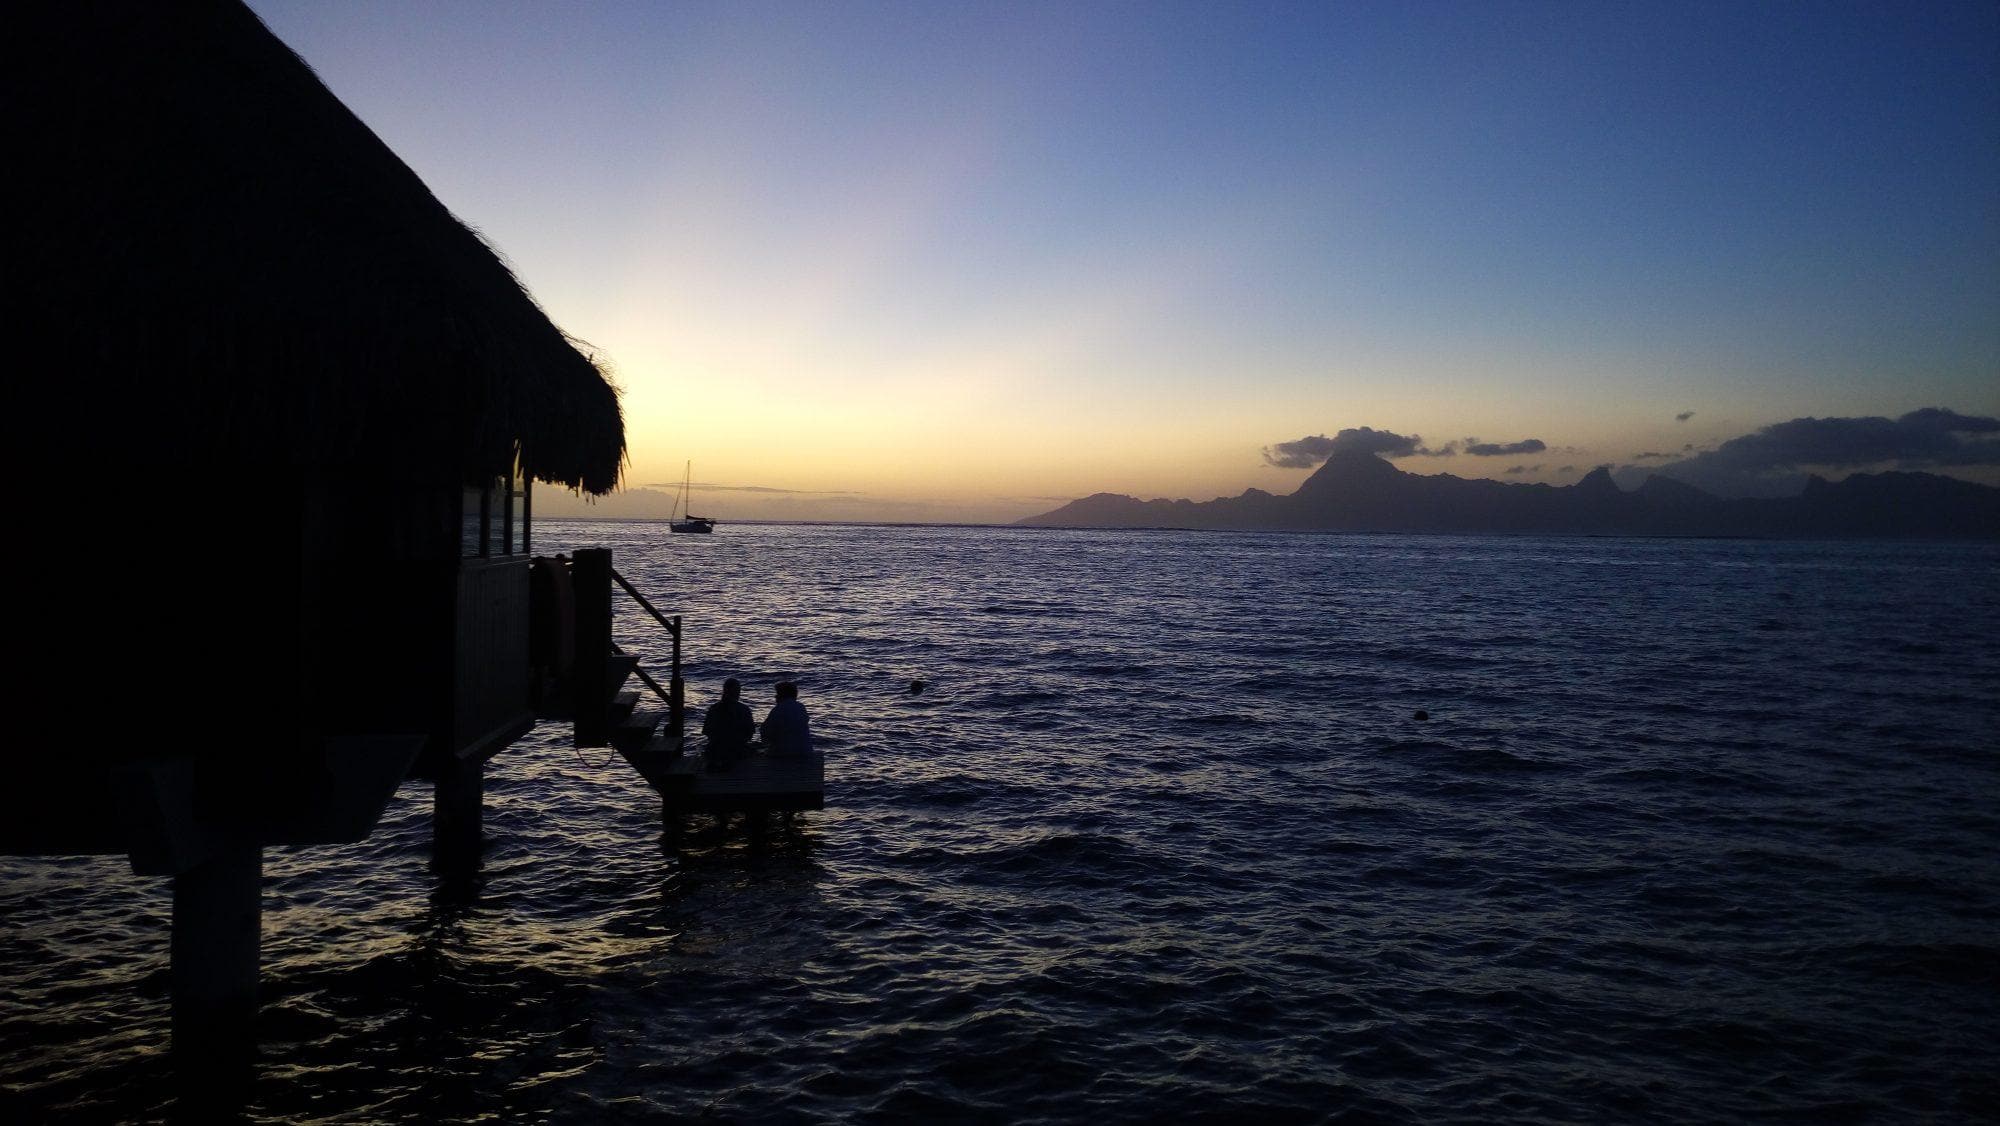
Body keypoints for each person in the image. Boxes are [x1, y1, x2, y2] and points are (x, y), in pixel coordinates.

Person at [701, 678, 755, 770]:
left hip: (715, 750)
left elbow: (707, 731)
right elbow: (750, 734)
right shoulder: (744, 709)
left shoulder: (713, 709)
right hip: (738, 751)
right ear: (738, 692)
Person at [761, 681, 814, 757]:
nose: (775, 697)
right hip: (805, 750)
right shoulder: (801, 707)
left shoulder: (779, 709)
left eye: (777, 694)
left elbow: (766, 731)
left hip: (785, 753)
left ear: (782, 695)